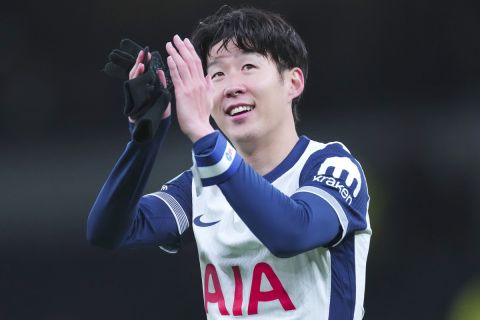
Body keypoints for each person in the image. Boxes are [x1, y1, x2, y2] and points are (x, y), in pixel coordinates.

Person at [87, 5, 372, 319]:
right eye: (218, 73)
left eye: (248, 66)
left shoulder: (330, 166)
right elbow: (108, 231)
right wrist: (145, 136)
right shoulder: (199, 186)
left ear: (293, 83)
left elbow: (291, 233)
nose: (233, 86)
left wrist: (204, 136)